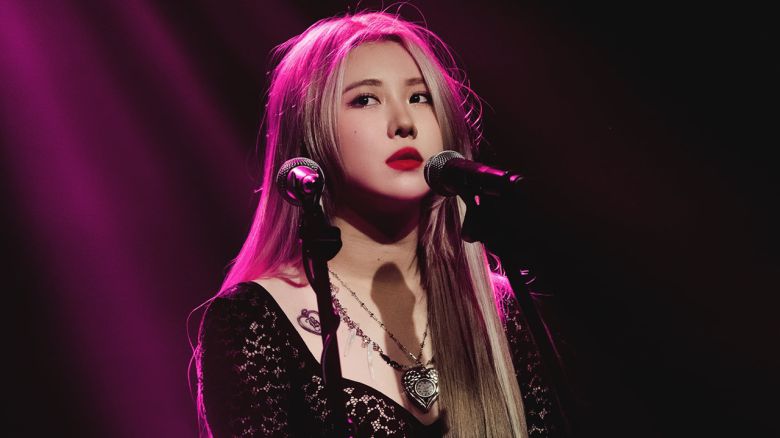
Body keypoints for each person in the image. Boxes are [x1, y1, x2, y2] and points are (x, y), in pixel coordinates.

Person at [195, 10, 561, 437]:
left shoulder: (499, 311)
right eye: (365, 99)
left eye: (420, 97)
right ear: (310, 131)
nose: (404, 123)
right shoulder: (253, 319)